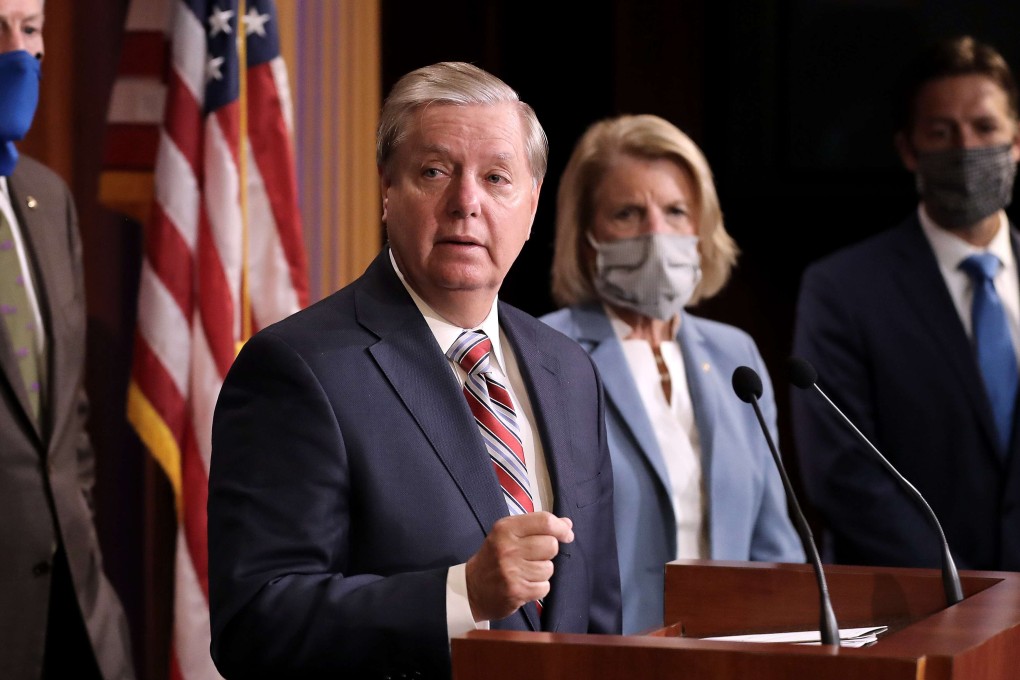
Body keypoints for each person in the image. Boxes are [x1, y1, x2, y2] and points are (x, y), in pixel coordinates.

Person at [207, 61, 621, 679]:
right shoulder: (298, 368)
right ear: (386, 188)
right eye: (434, 172)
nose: (465, 203)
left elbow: (597, 616)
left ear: (532, 206)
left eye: (496, 178)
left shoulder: (568, 368)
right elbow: (256, 623)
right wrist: (461, 595)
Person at [540, 114, 805, 635]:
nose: (656, 234)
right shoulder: (548, 351)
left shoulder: (735, 354)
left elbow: (775, 539)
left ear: (701, 230)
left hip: (732, 652)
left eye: (676, 211)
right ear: (587, 233)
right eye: (628, 213)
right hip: (605, 657)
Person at [791, 35, 1020, 571]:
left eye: (985, 128)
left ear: (1015, 141)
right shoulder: (842, 289)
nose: (966, 148)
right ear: (909, 149)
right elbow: (843, 471)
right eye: (942, 132)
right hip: (918, 608)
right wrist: (960, 589)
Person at [0, 1, 137, 678]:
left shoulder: (45, 197)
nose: (17, 53)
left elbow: (67, 419)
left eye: (30, 29)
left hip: (74, 607)